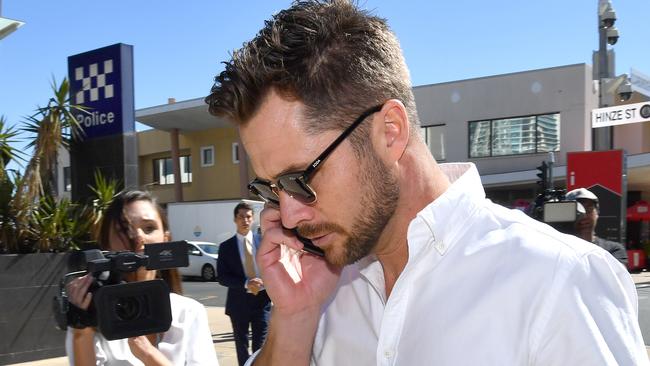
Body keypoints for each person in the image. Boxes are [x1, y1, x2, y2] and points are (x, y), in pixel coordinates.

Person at [204, 1, 647, 365]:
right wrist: (295, 317)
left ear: (390, 130)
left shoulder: (557, 279)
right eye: (269, 189)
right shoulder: (320, 286)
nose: (291, 213)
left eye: (301, 178)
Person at [65, 190, 218, 365]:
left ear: (165, 238)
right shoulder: (89, 314)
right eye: (124, 229)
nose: (138, 237)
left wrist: (147, 354)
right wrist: (81, 333)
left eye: (149, 228)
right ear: (106, 243)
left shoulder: (189, 313)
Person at [216, 202, 270, 366]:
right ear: (235, 219)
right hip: (238, 303)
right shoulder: (226, 247)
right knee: (241, 345)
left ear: (253, 219)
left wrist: (265, 281)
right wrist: (246, 283)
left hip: (262, 302)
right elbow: (222, 277)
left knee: (260, 346)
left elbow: (274, 267)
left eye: (248, 217)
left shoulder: (264, 242)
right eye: (241, 217)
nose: (245, 220)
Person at [566, 187, 629, 266]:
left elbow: (617, 275)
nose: (584, 215)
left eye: (589, 209)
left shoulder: (614, 250)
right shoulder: (559, 249)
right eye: (577, 211)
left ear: (597, 213)